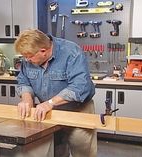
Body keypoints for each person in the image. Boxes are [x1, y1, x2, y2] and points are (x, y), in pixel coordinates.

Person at [14, 29, 97, 157]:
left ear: (43, 51)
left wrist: (50, 103)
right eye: (25, 57)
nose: (27, 60)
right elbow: (24, 81)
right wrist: (27, 100)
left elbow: (80, 87)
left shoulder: (71, 52)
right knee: (55, 151)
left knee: (82, 152)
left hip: (77, 111)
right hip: (48, 113)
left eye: (29, 57)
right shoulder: (29, 56)